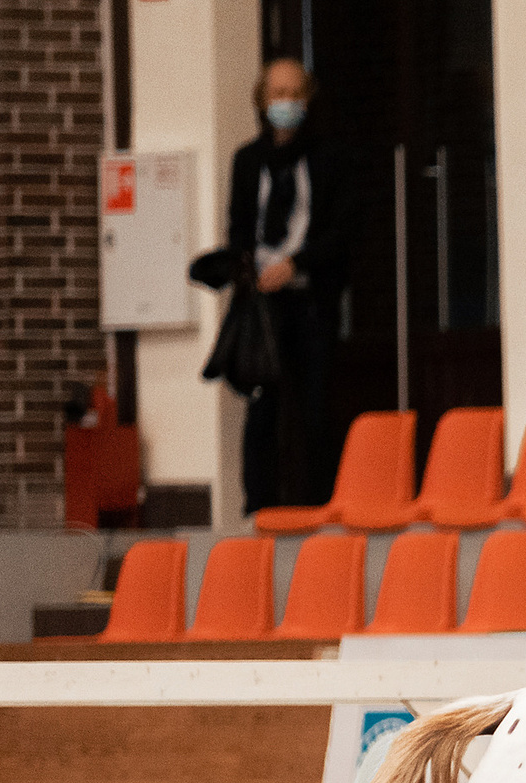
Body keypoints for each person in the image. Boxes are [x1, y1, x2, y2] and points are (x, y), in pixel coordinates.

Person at [227, 57, 347, 514]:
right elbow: (239, 228)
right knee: (262, 410)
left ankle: (321, 505)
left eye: (295, 94)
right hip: (263, 304)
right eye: (278, 94)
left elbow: (339, 232)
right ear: (262, 100)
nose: (287, 102)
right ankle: (259, 507)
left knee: (316, 407)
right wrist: (248, 275)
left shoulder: (327, 158)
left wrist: (295, 264)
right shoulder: (247, 161)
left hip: (310, 297)